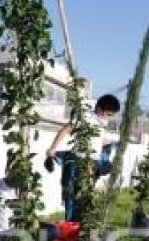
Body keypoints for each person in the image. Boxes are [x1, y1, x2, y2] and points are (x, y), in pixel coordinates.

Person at [44, 94, 121, 222]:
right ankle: (72, 227)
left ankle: (81, 228)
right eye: (108, 114)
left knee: (86, 199)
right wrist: (52, 149)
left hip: (91, 165)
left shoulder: (99, 123)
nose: (109, 118)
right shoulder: (85, 117)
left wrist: (108, 143)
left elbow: (95, 140)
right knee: (74, 198)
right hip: (79, 163)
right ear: (101, 109)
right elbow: (65, 130)